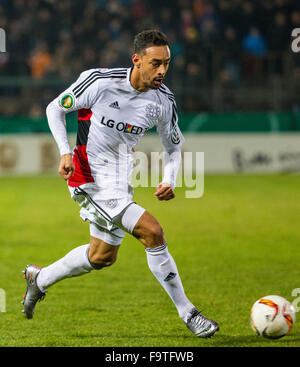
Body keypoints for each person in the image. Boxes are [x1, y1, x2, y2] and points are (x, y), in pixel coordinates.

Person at [22, 29, 219, 338]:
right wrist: (64, 152)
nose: (163, 70)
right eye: (156, 63)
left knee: (101, 256)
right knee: (152, 232)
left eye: (167, 63)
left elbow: (173, 146)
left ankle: (39, 279)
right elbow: (55, 108)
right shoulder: (100, 83)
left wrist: (169, 179)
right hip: (87, 175)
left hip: (119, 177)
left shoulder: (163, 101)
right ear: (137, 60)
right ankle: (189, 313)